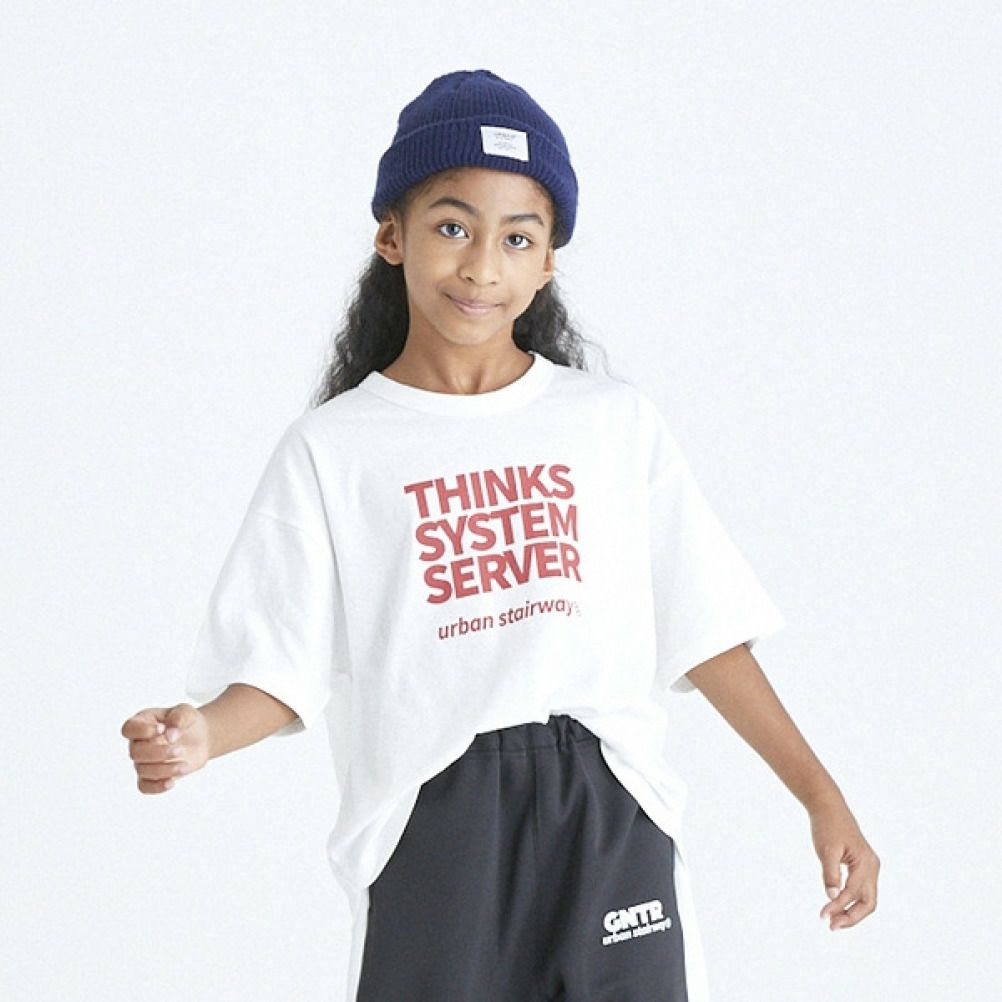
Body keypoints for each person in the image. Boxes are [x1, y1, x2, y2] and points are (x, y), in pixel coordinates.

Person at [121, 68, 879, 1002]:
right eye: (452, 227)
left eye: (518, 237)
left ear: (549, 259)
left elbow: (707, 628)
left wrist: (820, 795)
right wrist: (200, 733)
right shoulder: (335, 450)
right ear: (391, 236)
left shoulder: (610, 424)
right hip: (434, 825)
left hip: (610, 812)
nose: (483, 267)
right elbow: (280, 668)